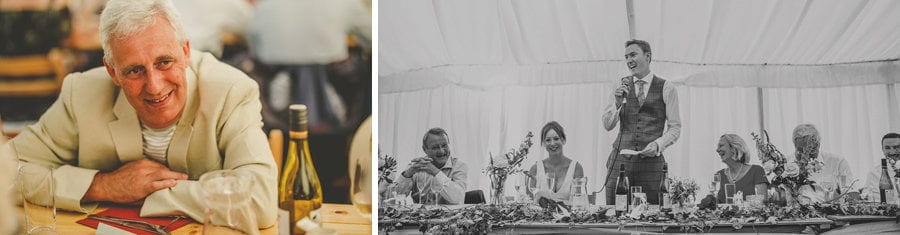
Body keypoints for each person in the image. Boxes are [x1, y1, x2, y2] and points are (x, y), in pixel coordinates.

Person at [1, 0, 276, 228]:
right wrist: (103, 186)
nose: (154, 86)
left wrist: (147, 192)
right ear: (112, 72)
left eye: (164, 62)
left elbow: (261, 201)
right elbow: (8, 173)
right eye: (134, 70)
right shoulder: (83, 92)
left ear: (186, 52)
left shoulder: (231, 91)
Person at [602, 39, 681, 205]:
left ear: (647, 56)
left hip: (651, 167)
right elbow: (607, 125)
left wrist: (658, 145)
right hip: (620, 163)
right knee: (615, 211)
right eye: (626, 57)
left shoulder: (667, 87)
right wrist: (617, 103)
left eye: (633, 55)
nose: (629, 60)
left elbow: (675, 128)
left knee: (654, 213)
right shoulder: (619, 85)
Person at [391, 128, 467, 204]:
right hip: (419, 215)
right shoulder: (417, 166)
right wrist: (408, 174)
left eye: (444, 145)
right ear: (425, 149)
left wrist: (435, 171)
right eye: (435, 147)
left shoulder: (459, 166)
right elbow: (393, 197)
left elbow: (458, 198)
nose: (441, 151)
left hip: (451, 215)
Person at [792, 124, 855, 203]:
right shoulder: (786, 164)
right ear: (794, 145)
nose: (805, 155)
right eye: (800, 150)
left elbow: (851, 193)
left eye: (810, 150)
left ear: (818, 145)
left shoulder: (838, 162)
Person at [528, 121, 584, 203]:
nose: (552, 143)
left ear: (563, 140)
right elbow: (528, 202)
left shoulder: (576, 168)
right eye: (548, 140)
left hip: (568, 215)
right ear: (543, 144)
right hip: (541, 215)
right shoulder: (535, 168)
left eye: (556, 139)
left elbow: (578, 202)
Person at [713, 134, 768, 203]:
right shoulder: (719, 175)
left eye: (721, 146)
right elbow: (715, 205)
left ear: (733, 148)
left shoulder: (756, 171)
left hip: (750, 213)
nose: (717, 150)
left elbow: (763, 203)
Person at [863, 133, 900, 202]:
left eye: (896, 147)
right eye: (887, 148)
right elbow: (871, 199)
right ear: (882, 149)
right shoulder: (874, 174)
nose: (892, 152)